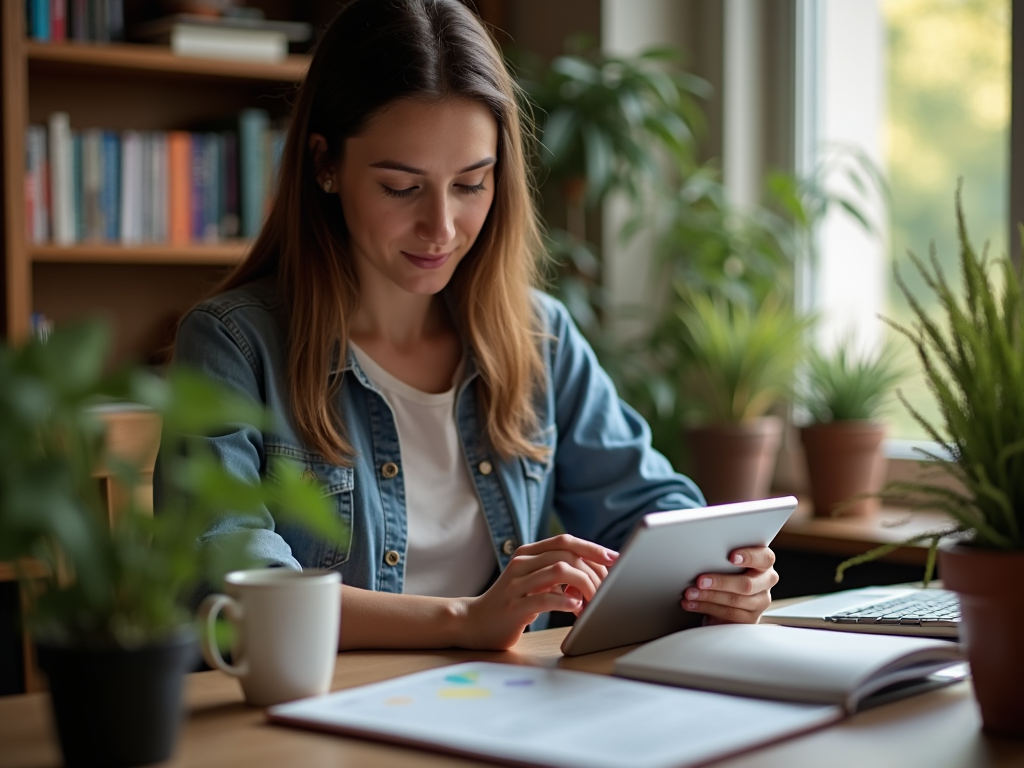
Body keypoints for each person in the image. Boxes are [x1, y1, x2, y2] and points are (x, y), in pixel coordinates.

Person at [167, 0, 779, 651]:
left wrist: (724, 572)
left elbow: (652, 511)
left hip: (504, 705)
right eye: (402, 188)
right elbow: (235, 587)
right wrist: (465, 619)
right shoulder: (232, 345)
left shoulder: (539, 338)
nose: (442, 228)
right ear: (324, 164)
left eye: (471, 184)